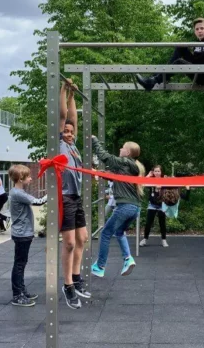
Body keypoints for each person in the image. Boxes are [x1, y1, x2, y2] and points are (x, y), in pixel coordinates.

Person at [91, 136, 145, 278]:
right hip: (135, 208)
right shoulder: (131, 166)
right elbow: (117, 178)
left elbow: (104, 157)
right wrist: (99, 173)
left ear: (127, 153)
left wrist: (94, 141)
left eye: (123, 147)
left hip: (125, 207)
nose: (120, 149)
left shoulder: (123, 162)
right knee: (119, 232)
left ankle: (100, 266)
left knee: (105, 234)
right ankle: (128, 259)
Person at [59, 79, 90, 310]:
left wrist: (72, 93)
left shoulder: (74, 145)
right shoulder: (58, 143)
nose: (69, 133)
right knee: (68, 243)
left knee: (82, 239)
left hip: (76, 197)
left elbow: (73, 117)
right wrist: (62, 88)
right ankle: (67, 285)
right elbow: (62, 115)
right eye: (66, 131)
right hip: (65, 196)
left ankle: (76, 278)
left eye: (71, 132)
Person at [136, 17, 204, 91]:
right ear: (194, 32)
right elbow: (196, 60)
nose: (199, 31)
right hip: (196, 68)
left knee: (179, 62)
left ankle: (153, 81)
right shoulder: (197, 44)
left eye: (202, 28)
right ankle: (154, 78)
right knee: (180, 47)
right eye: (197, 29)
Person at [8, 165, 47, 307]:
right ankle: (17, 295)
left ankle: (21, 291)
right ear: (20, 178)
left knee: (21, 263)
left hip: (24, 232)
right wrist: (54, 191)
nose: (31, 178)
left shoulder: (17, 191)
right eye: (28, 176)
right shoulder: (18, 193)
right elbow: (39, 201)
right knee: (19, 264)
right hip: (22, 233)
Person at [140, 165, 168, 248]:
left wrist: (162, 185)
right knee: (148, 223)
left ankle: (164, 240)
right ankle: (145, 239)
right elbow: (141, 183)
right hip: (152, 204)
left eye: (158, 171)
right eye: (155, 171)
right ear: (153, 172)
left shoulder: (164, 179)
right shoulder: (150, 179)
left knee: (162, 223)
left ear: (161, 172)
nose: (157, 173)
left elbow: (171, 187)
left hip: (161, 205)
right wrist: (148, 175)